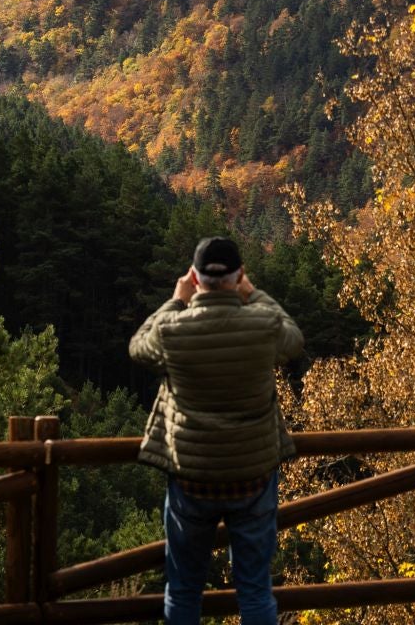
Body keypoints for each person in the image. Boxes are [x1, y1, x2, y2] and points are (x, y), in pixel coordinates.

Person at [129, 235, 305, 625]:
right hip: (253, 475)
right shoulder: (263, 323)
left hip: (192, 478)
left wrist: (176, 300)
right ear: (239, 275)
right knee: (255, 590)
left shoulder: (173, 330)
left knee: (184, 590)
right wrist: (253, 293)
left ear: (194, 278)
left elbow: (138, 346)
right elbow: (293, 339)